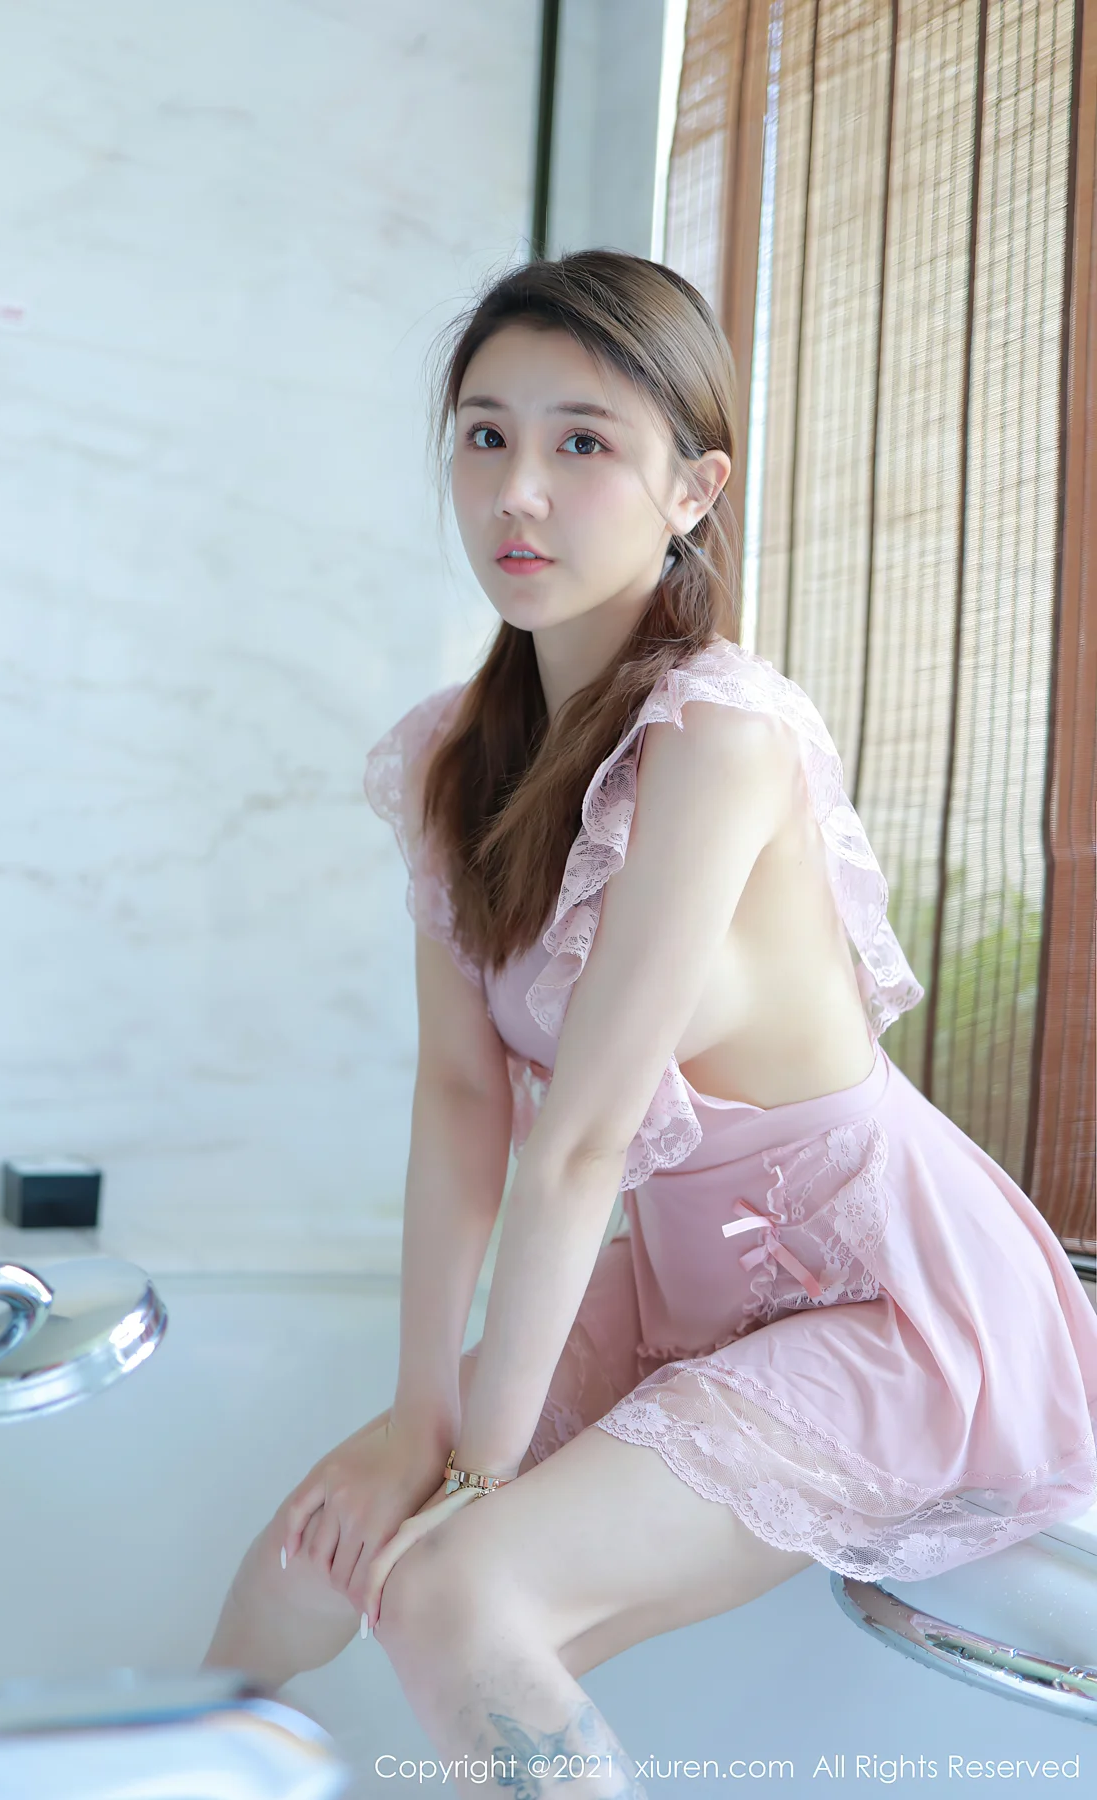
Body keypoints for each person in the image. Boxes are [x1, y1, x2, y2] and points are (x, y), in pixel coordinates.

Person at [205, 250, 1097, 1796]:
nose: (518, 492)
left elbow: (582, 1142)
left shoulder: (718, 740)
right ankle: (124, 1761)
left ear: (695, 489)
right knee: (318, 1546)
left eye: (582, 443)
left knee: (452, 1585)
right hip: (689, 1287)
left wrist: (474, 1469)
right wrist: (417, 1418)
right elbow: (462, 1106)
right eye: (485, 436)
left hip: (888, 1305)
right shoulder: (453, 759)